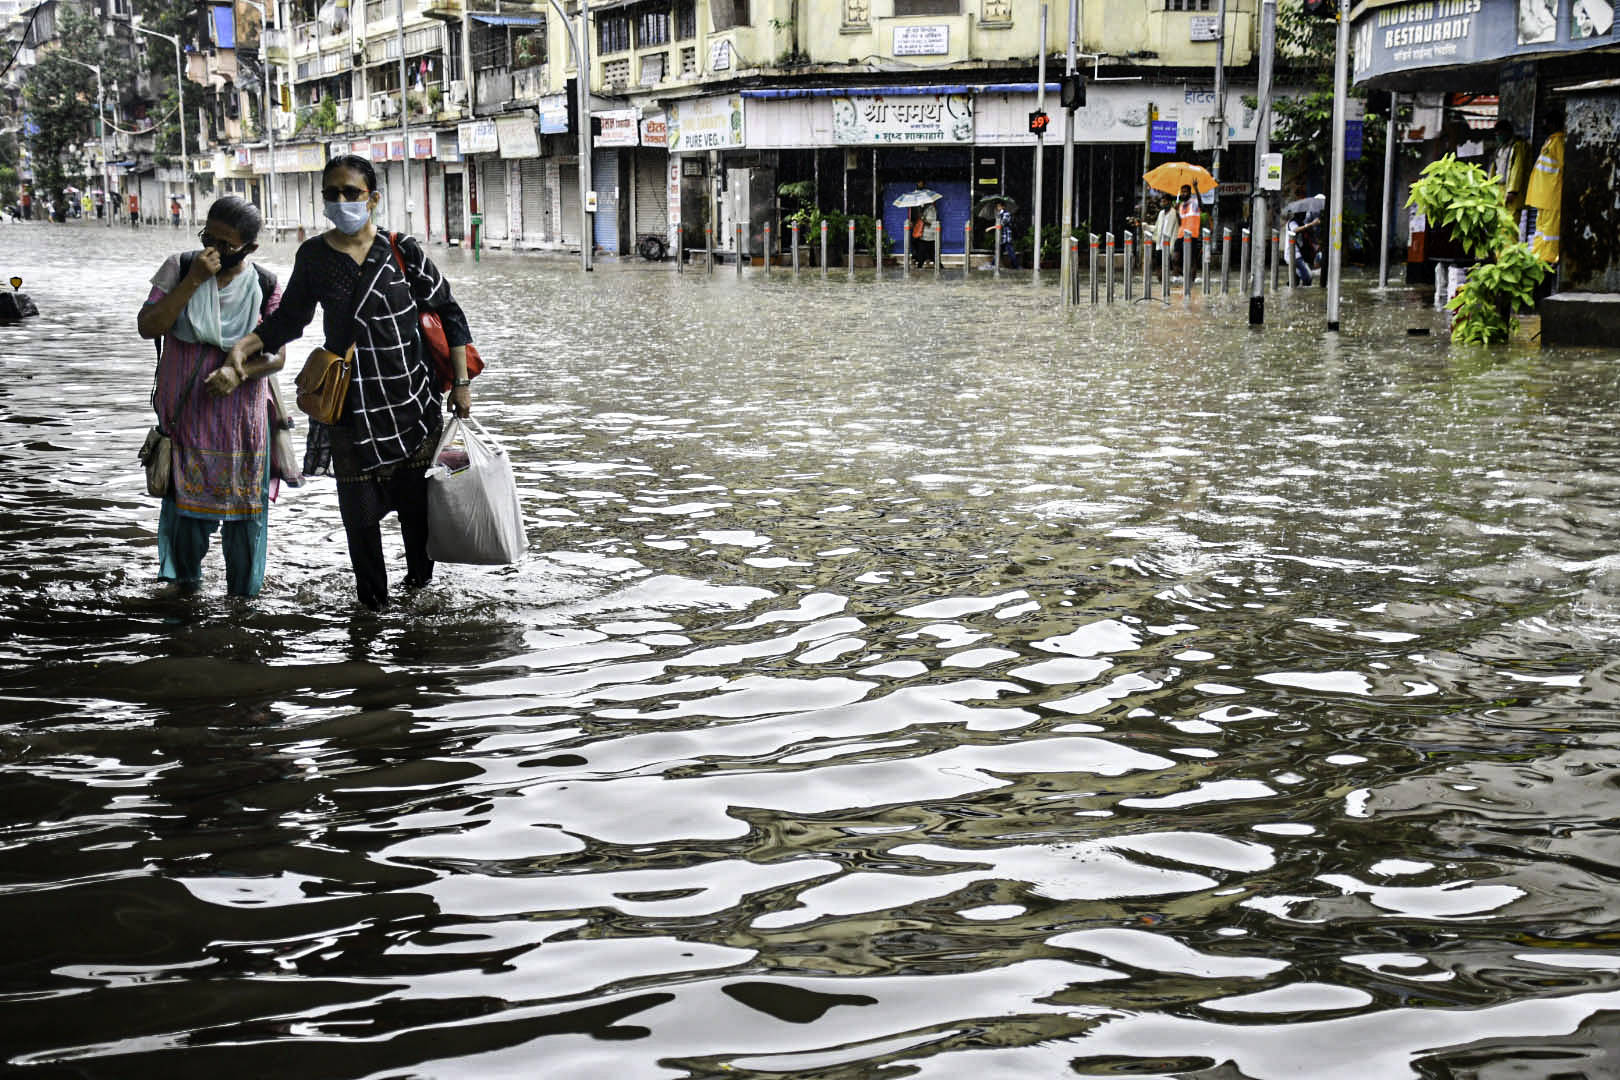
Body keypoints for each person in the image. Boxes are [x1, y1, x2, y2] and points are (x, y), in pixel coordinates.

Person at [225, 154, 475, 611]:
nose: (341, 202)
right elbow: (290, 320)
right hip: (351, 415)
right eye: (332, 194)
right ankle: (372, 618)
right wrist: (245, 347)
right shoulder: (316, 257)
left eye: (351, 193)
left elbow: (449, 312)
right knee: (361, 530)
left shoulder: (404, 251)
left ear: (373, 199)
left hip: (415, 410)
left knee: (419, 530)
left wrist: (460, 384)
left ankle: (418, 611)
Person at [136, 196, 285, 598]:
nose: (214, 250)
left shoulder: (266, 285)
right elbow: (149, 326)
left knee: (244, 524)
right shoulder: (180, 268)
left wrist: (238, 373)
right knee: (185, 524)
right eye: (208, 237)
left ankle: (242, 605)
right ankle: (184, 597)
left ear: (250, 248)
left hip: (242, 431)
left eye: (226, 244)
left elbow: (277, 358)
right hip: (186, 426)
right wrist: (192, 282)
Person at [996, 201, 1019, 269]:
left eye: (999, 206)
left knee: (1010, 251)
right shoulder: (999, 214)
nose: (998, 208)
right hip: (1002, 237)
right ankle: (993, 264)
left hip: (1006, 237)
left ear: (1003, 206)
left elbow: (1002, 223)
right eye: (997, 206)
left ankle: (1016, 266)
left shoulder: (1006, 214)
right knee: (999, 251)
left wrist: (997, 221)